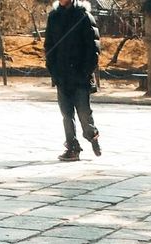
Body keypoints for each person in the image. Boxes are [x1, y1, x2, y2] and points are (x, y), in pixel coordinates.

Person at [44, 0, 101, 161]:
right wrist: (53, 70)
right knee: (66, 114)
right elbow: (49, 46)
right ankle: (72, 147)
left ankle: (92, 135)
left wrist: (85, 71)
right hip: (62, 76)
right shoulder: (53, 17)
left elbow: (94, 48)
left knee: (84, 113)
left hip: (81, 76)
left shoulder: (83, 16)